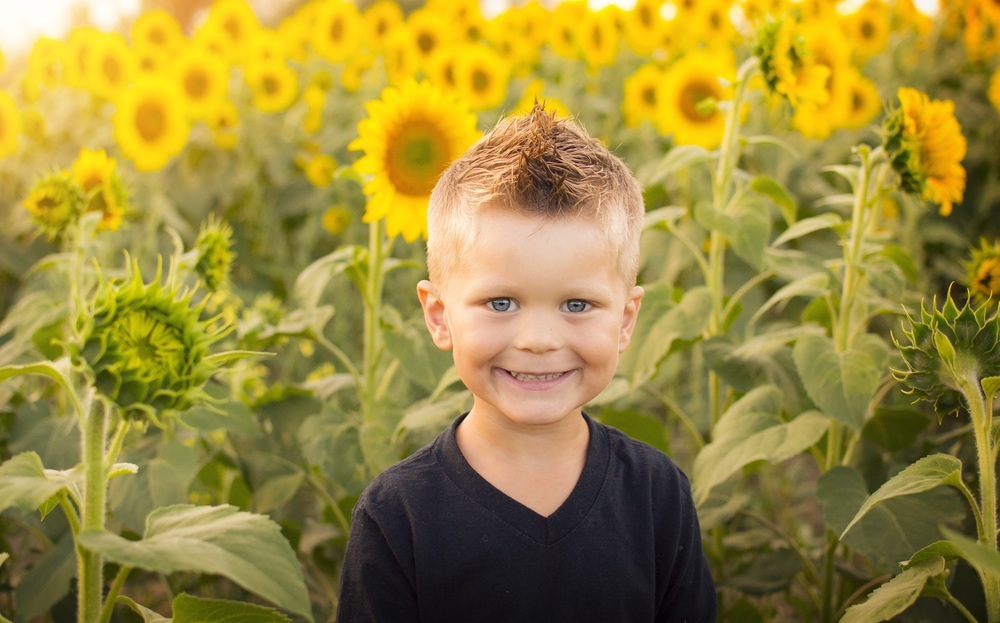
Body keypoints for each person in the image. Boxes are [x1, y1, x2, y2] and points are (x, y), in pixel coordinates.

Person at [336, 104, 717, 623]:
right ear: (439, 315)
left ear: (626, 321)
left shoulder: (657, 498)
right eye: (501, 303)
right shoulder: (398, 516)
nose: (538, 340)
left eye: (577, 305)